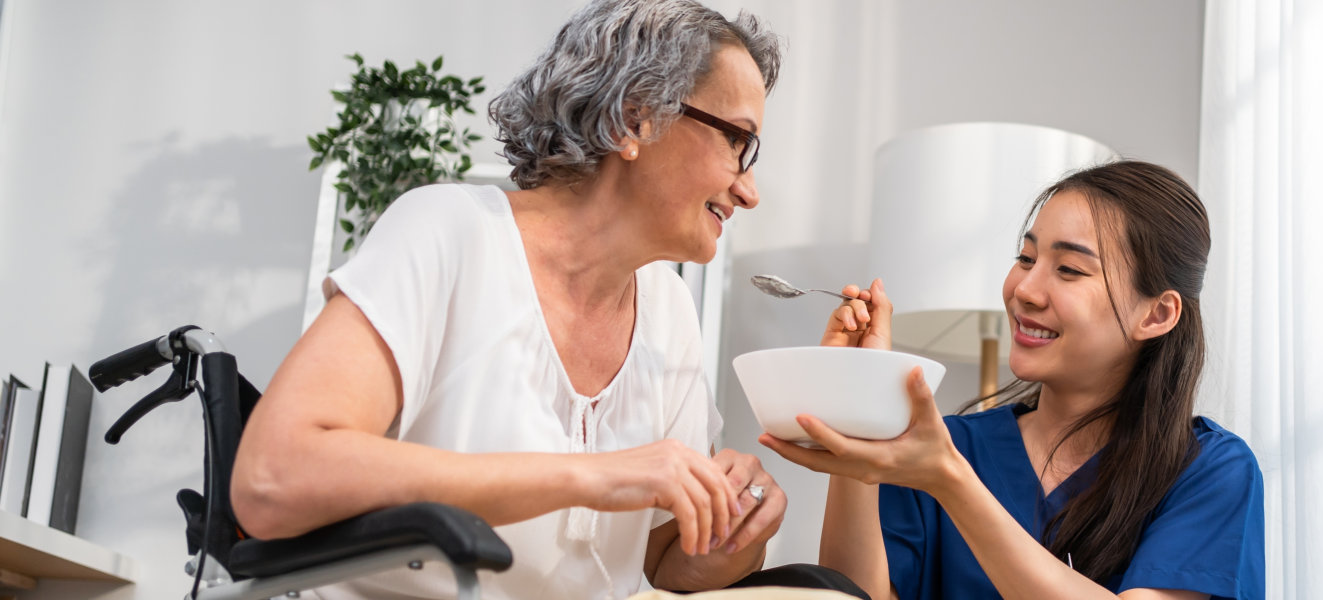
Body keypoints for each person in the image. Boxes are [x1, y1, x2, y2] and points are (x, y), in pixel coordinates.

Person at [231, 1, 862, 597]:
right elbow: (272, 479)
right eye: (737, 143)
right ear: (634, 118)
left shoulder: (668, 312)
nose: (749, 192)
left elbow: (664, 563)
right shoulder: (450, 233)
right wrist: (595, 476)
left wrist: (732, 528)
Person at [763, 161, 1265, 599]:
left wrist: (950, 483)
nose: (1024, 289)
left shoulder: (1210, 471)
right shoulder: (945, 446)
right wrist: (861, 403)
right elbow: (855, 594)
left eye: (1068, 269)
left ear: (1156, 314)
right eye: (1025, 259)